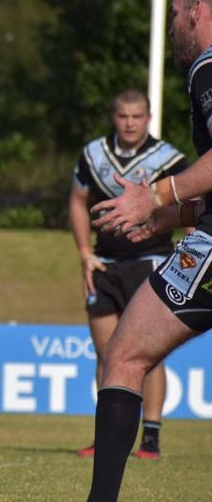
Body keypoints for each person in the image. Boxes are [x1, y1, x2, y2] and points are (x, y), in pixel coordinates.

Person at [32, 0, 212, 502]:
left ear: (197, 14)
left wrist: (156, 194)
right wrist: (173, 217)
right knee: (124, 354)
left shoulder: (209, 69)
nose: (171, 30)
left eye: (173, 18)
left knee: (124, 356)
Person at [70, 89, 186, 461]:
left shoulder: (168, 158)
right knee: (106, 354)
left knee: (146, 352)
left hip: (149, 260)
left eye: (137, 116)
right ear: (113, 116)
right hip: (104, 263)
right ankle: (104, 435)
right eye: (123, 116)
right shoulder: (93, 155)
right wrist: (84, 252)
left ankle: (150, 436)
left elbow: (194, 206)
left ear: (148, 118)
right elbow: (76, 201)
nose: (130, 123)